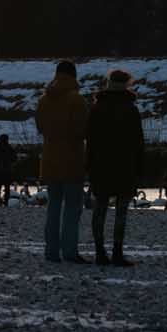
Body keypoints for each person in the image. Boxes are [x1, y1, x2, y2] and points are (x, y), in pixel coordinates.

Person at [87, 69, 146, 267]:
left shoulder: (97, 107)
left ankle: (99, 252)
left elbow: (91, 139)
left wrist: (89, 165)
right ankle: (118, 252)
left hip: (101, 165)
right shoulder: (130, 108)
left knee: (100, 209)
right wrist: (139, 167)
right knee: (121, 211)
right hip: (125, 165)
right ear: (127, 84)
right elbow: (138, 142)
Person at [35, 60, 89, 263]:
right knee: (72, 209)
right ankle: (69, 251)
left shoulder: (44, 99)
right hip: (72, 160)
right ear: (74, 75)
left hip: (49, 160)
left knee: (53, 207)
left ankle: (51, 251)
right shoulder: (76, 100)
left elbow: (40, 126)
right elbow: (83, 129)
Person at [0, 134, 17, 206]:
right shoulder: (9, 148)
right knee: (6, 187)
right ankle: (6, 201)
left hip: (0, 170)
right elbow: (14, 158)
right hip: (6, 170)